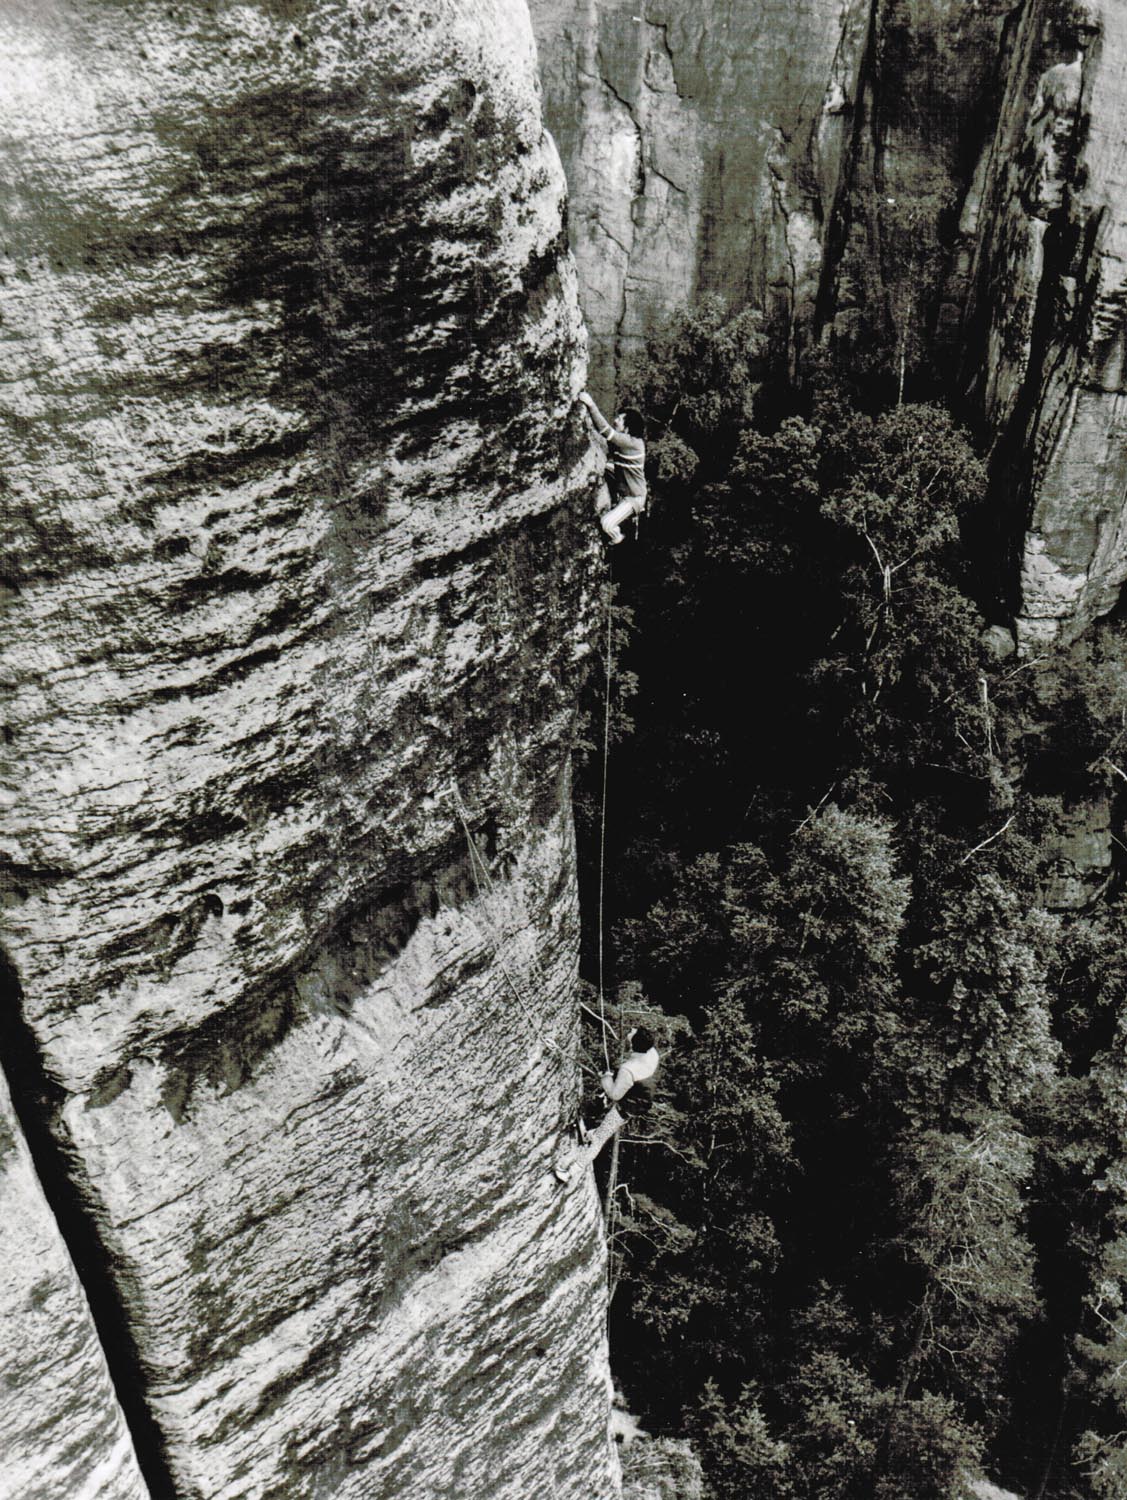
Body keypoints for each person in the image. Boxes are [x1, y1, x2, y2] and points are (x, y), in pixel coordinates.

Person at [555, 1027, 660, 1183]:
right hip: (638, 1098)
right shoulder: (651, 1053)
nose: (630, 1030)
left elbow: (615, 1094)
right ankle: (590, 1133)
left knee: (599, 1138)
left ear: (634, 1043)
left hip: (627, 1106)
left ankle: (572, 1171)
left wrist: (606, 1080)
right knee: (602, 1123)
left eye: (632, 1032)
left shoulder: (628, 1070)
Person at [578, 391, 647, 544]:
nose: (616, 421)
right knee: (604, 467)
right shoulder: (630, 441)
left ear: (627, 428)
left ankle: (617, 538)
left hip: (634, 497)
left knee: (607, 524)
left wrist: (590, 404)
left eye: (620, 420)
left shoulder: (631, 443)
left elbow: (605, 431)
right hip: (623, 480)